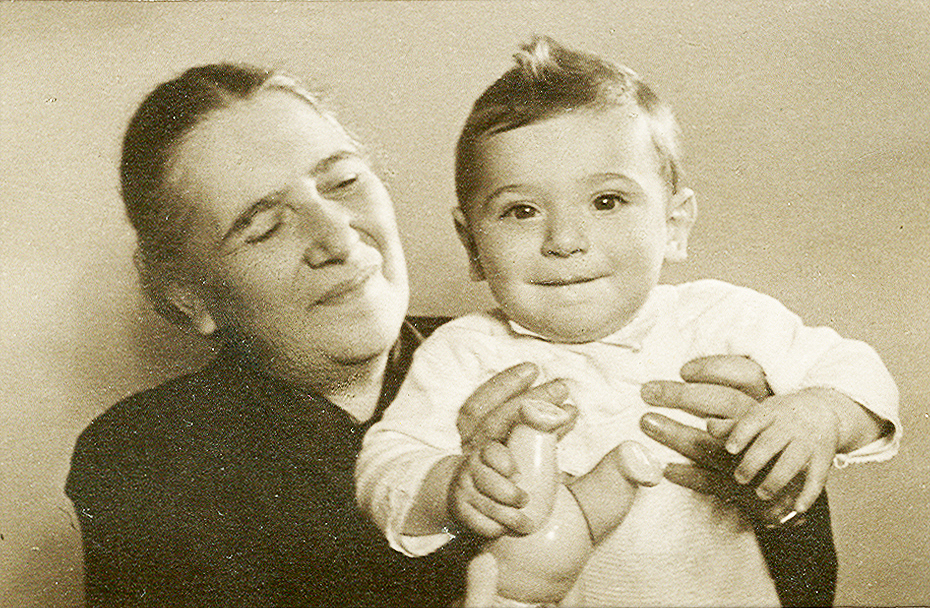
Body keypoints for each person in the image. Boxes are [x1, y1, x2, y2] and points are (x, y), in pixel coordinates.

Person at [356, 37, 901, 607]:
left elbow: (857, 372)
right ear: (471, 244)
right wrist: (446, 488)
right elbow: (385, 463)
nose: (564, 241)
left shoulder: (722, 318)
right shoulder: (464, 351)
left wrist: (822, 413)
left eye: (608, 202)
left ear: (674, 224)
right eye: (521, 211)